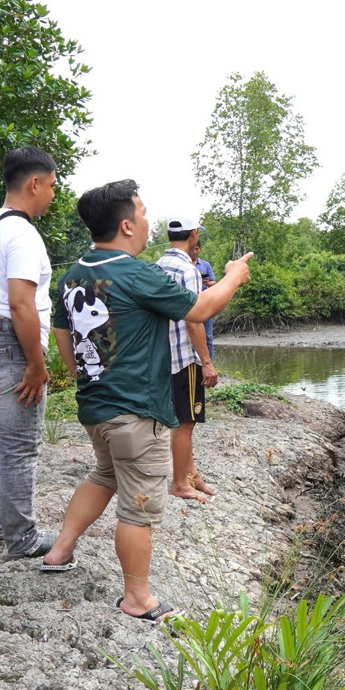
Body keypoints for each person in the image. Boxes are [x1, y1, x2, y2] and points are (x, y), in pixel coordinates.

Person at [39, 180, 251, 627]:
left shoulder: (73, 273)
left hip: (95, 407)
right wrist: (233, 276)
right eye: (143, 210)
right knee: (138, 505)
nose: (148, 219)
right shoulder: (136, 272)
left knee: (103, 474)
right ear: (126, 224)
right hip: (136, 412)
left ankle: (59, 551)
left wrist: (85, 376)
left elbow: (62, 336)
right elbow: (200, 308)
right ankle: (137, 597)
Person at [0, 147, 58, 557]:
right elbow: (21, 302)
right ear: (33, 183)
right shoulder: (21, 232)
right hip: (7, 342)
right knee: (20, 446)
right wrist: (36, 365)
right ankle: (21, 538)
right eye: (52, 186)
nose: (53, 195)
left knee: (0, 442)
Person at [157, 214, 217, 502]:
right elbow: (194, 320)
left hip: (161, 356)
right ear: (193, 234)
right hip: (183, 356)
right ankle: (180, 482)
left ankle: (191, 474)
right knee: (186, 420)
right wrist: (206, 361)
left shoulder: (157, 266)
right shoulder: (188, 269)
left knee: (183, 418)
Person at [192, 249, 216, 360]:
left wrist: (206, 283)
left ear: (200, 250)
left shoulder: (205, 264)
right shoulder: (185, 264)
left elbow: (213, 283)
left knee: (208, 337)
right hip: (191, 305)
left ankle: (209, 362)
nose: (194, 251)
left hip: (205, 304)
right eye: (193, 249)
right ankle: (196, 362)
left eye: (197, 249)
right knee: (192, 334)